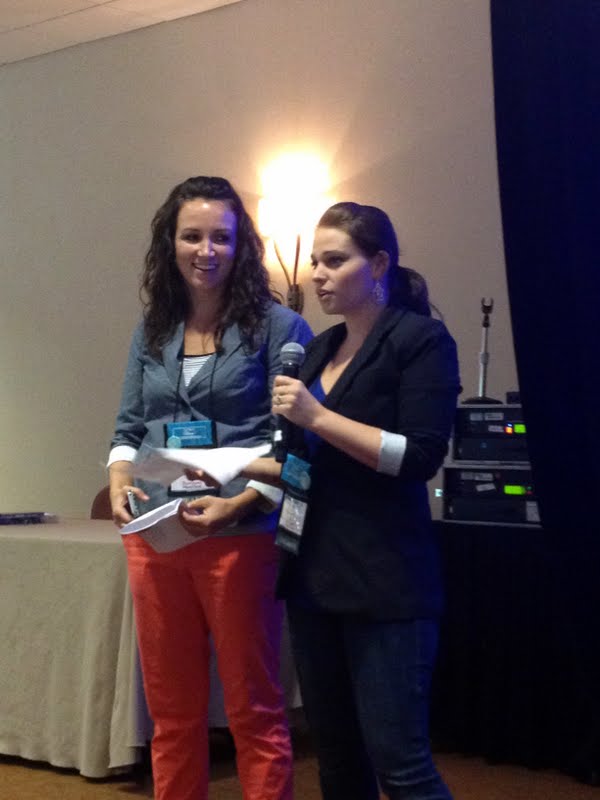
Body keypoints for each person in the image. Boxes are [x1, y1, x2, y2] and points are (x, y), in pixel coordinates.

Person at [241, 201, 461, 799]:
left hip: (385, 582)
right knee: (337, 761)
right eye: (316, 261)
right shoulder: (319, 349)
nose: (318, 274)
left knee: (400, 763)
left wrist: (317, 416)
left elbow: (418, 457)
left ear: (379, 264)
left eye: (335, 261)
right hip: (315, 577)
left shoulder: (419, 340)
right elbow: (302, 463)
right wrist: (225, 468)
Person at [107, 175, 312, 800]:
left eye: (221, 237)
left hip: (240, 535)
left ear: (241, 245)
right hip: (156, 535)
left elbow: (296, 451)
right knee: (171, 710)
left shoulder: (281, 327)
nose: (206, 250)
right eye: (191, 236)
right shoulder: (154, 328)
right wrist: (117, 478)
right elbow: (129, 427)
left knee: (253, 707)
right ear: (169, 243)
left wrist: (240, 504)